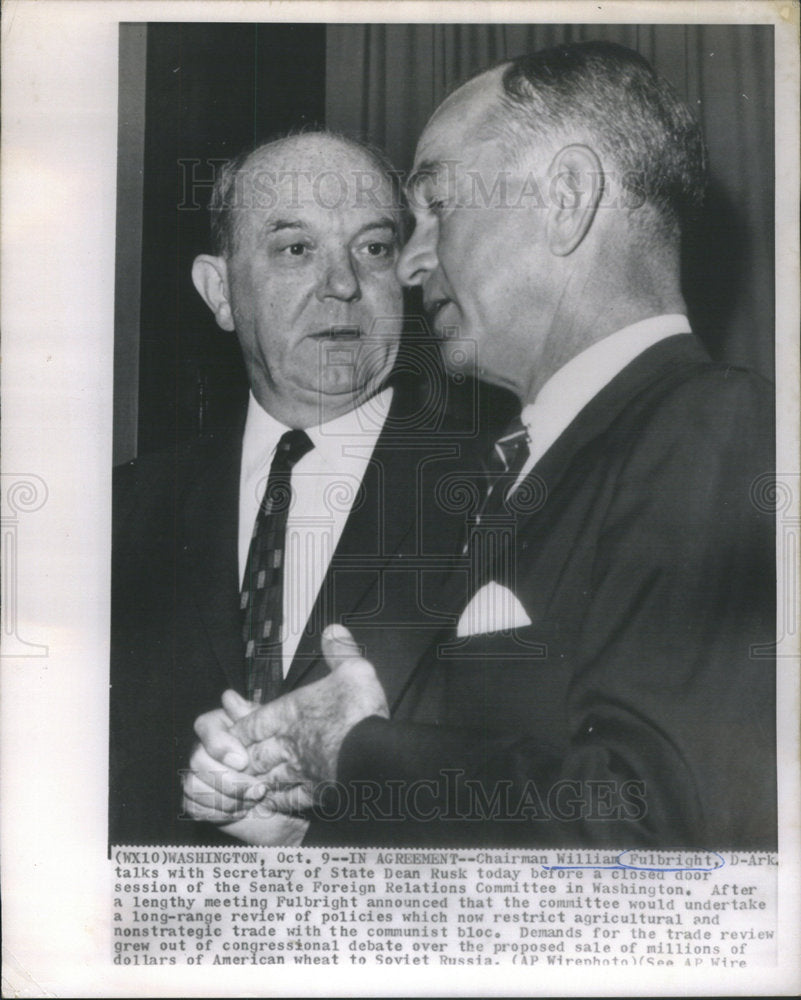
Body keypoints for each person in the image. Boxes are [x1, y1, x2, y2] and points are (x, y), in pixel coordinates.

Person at [187, 42, 776, 849]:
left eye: (437, 205)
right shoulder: (528, 466)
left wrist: (353, 753)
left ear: (565, 198)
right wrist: (307, 827)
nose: (413, 259)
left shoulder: (718, 429)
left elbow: (664, 830)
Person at [110, 131, 492, 845]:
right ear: (219, 291)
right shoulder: (120, 514)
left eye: (374, 248)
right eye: (295, 249)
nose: (343, 284)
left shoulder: (497, 490)